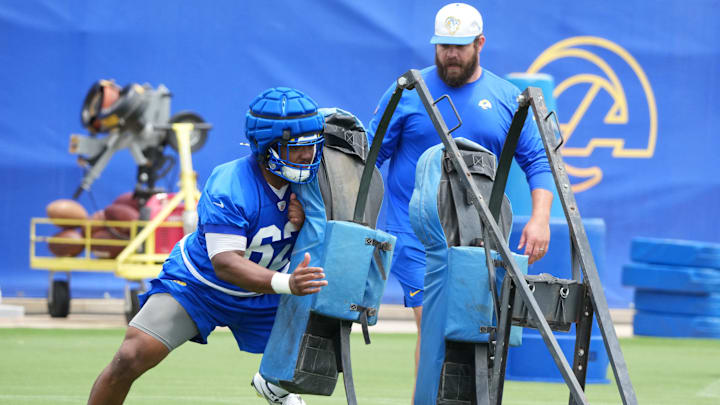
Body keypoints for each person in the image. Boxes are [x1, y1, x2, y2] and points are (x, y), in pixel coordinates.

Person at [87, 87, 329, 405]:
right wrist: (287, 283)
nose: (309, 156)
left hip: (265, 294)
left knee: (329, 334)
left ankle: (274, 384)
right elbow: (225, 263)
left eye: (312, 146)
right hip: (201, 286)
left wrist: (310, 217)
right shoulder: (231, 184)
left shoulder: (313, 182)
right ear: (268, 146)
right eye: (297, 147)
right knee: (131, 357)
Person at [367, 2, 554, 395]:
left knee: (473, 327)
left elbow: (538, 159)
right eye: (443, 46)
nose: (450, 54)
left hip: (478, 238)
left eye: (460, 46)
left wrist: (540, 219)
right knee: (433, 322)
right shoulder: (408, 90)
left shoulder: (505, 97)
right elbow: (370, 158)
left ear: (480, 43)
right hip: (414, 232)